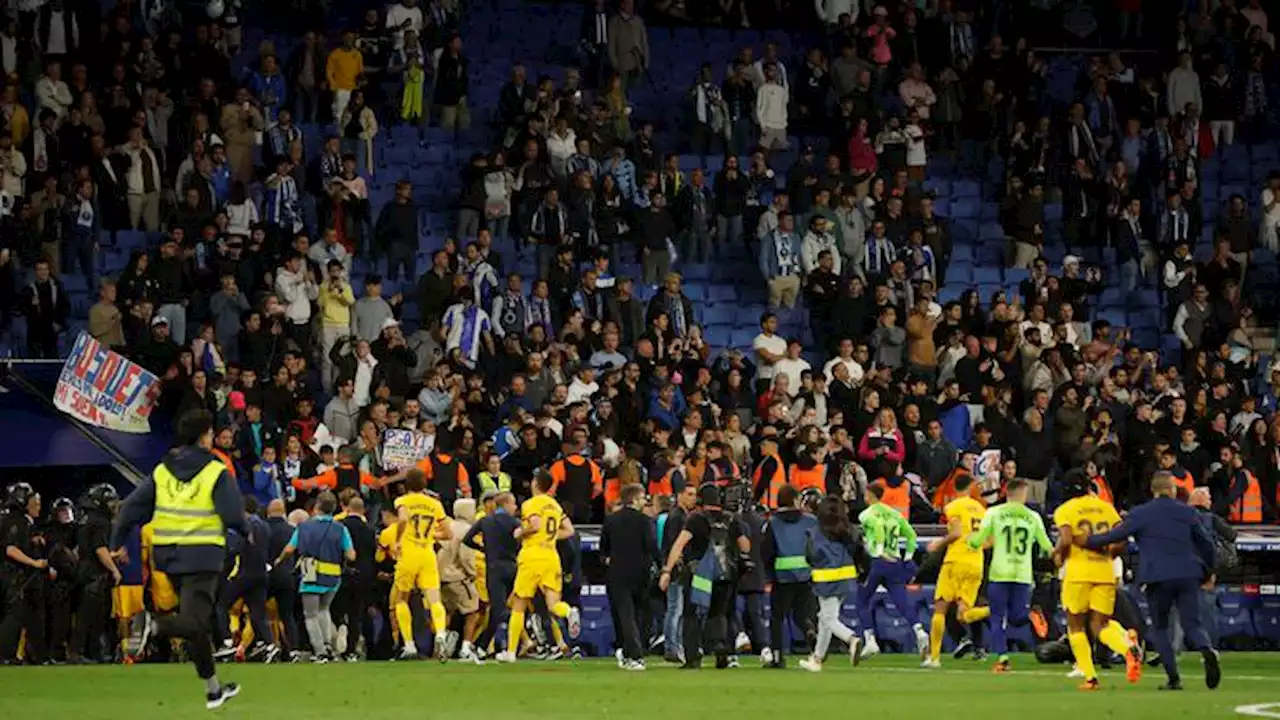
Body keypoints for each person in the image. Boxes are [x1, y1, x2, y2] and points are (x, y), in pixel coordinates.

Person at [110, 409, 244, 709]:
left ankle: (213, 690)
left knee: (194, 624)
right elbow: (234, 515)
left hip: (168, 557)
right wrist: (245, 532)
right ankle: (152, 626)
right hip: (203, 554)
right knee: (194, 621)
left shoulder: (162, 470)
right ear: (204, 436)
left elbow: (130, 508)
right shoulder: (215, 469)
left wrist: (116, 541)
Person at [1083, 472, 1221, 690]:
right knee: (1192, 623)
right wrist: (1208, 571)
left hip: (1157, 576)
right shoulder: (1187, 512)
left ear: (1153, 490)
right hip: (1187, 573)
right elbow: (1206, 543)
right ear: (1173, 490)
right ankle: (1206, 649)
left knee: (1160, 627)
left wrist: (1089, 541)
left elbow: (1116, 535)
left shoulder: (1142, 513)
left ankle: (1173, 679)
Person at [1052, 469, 1143, 691]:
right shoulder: (1106, 507)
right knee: (1100, 623)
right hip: (1104, 571)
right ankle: (1126, 647)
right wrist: (1109, 554)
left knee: (1075, 625)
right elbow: (1121, 540)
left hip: (1078, 573)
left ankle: (1090, 677)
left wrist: (1057, 556)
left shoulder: (1065, 510)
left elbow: (1065, 540)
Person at [658, 483, 751, 669]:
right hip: (725, 574)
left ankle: (693, 657)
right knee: (719, 613)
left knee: (691, 615)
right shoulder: (731, 519)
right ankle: (720, 646)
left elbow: (679, 544)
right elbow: (745, 546)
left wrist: (667, 570)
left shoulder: (695, 519)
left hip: (698, 575)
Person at [966, 478, 1052, 672]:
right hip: (1022, 573)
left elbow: (978, 540)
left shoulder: (994, 513)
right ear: (1023, 494)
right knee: (1016, 616)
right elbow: (1046, 546)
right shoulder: (1033, 517)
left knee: (997, 617)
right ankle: (1030, 614)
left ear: (1007, 493)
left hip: (1000, 572)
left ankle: (1003, 657)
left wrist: (971, 542)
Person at [503, 470, 576, 663]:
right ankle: (568, 612)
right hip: (551, 555)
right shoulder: (555, 505)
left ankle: (510, 652)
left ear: (536, 483)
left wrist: (520, 532)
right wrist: (550, 537)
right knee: (553, 605)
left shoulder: (531, 503)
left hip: (532, 555)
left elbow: (534, 524)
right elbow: (569, 531)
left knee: (518, 603)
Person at [275, 491, 356, 663]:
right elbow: (351, 555)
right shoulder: (341, 528)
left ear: (317, 507)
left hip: (311, 575)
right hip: (333, 576)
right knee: (324, 609)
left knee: (310, 614)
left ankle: (320, 651)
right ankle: (327, 644)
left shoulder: (303, 527)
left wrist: (279, 560)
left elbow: (289, 549)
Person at [856, 483, 927, 660]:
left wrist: (879, 552)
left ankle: (870, 640)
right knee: (901, 601)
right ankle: (919, 631)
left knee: (862, 600)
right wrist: (908, 557)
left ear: (870, 495)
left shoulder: (866, 514)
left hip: (876, 562)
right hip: (895, 562)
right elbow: (911, 535)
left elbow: (878, 529)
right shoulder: (895, 513)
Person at [924, 473, 989, 668]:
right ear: (970, 487)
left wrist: (938, 543)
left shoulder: (953, 507)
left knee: (941, 608)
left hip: (955, 561)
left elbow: (956, 533)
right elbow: (989, 541)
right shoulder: (981, 509)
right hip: (975, 562)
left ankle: (934, 658)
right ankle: (993, 611)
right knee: (964, 613)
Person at [390, 468, 452, 660]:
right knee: (434, 598)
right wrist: (431, 534)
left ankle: (409, 645)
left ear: (406, 485)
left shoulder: (402, 501)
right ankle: (441, 633)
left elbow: (402, 519)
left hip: (409, 553)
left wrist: (399, 539)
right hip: (427, 553)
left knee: (401, 598)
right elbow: (448, 534)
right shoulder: (435, 504)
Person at [799, 495, 862, 672]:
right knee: (824, 618)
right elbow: (858, 550)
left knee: (828, 619)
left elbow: (810, 556)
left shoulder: (815, 532)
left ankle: (851, 639)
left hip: (825, 579)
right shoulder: (850, 530)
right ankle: (817, 659)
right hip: (847, 578)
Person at [600, 483, 655, 670]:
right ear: (633, 499)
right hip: (641, 574)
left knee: (624, 615)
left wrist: (610, 561)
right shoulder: (645, 521)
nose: (644, 501)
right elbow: (652, 547)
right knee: (638, 616)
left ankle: (629, 652)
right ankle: (635, 654)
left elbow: (603, 550)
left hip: (618, 574)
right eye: (642, 498)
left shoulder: (611, 520)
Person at [760, 484, 816, 668]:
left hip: (781, 575)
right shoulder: (810, 521)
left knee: (778, 617)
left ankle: (777, 656)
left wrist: (769, 573)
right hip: (805, 574)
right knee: (802, 614)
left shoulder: (772, 522)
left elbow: (766, 550)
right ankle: (809, 631)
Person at [463, 491, 521, 659]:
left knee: (498, 609)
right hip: (511, 567)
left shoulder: (485, 521)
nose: (515, 507)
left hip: (493, 568)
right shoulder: (514, 522)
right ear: (506, 504)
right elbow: (520, 541)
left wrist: (483, 549)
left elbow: (467, 539)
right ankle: (482, 646)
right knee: (501, 609)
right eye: (513, 503)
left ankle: (483, 645)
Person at [0, 483, 48, 664]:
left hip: (19, 576)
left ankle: (35, 656)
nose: (37, 504)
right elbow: (10, 549)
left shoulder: (19, 521)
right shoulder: (16, 521)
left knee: (29, 615)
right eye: (33, 501)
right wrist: (34, 562)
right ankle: (5, 655)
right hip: (13, 576)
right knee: (14, 615)